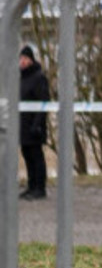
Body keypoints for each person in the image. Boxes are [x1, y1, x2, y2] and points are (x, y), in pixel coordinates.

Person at [18, 45, 49, 201]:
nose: (22, 62)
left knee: (36, 156)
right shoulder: (20, 78)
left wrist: (37, 124)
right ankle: (31, 186)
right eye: (21, 59)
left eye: (25, 59)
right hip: (22, 125)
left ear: (31, 60)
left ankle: (40, 188)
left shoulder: (39, 77)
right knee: (27, 155)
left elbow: (44, 102)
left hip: (34, 125)